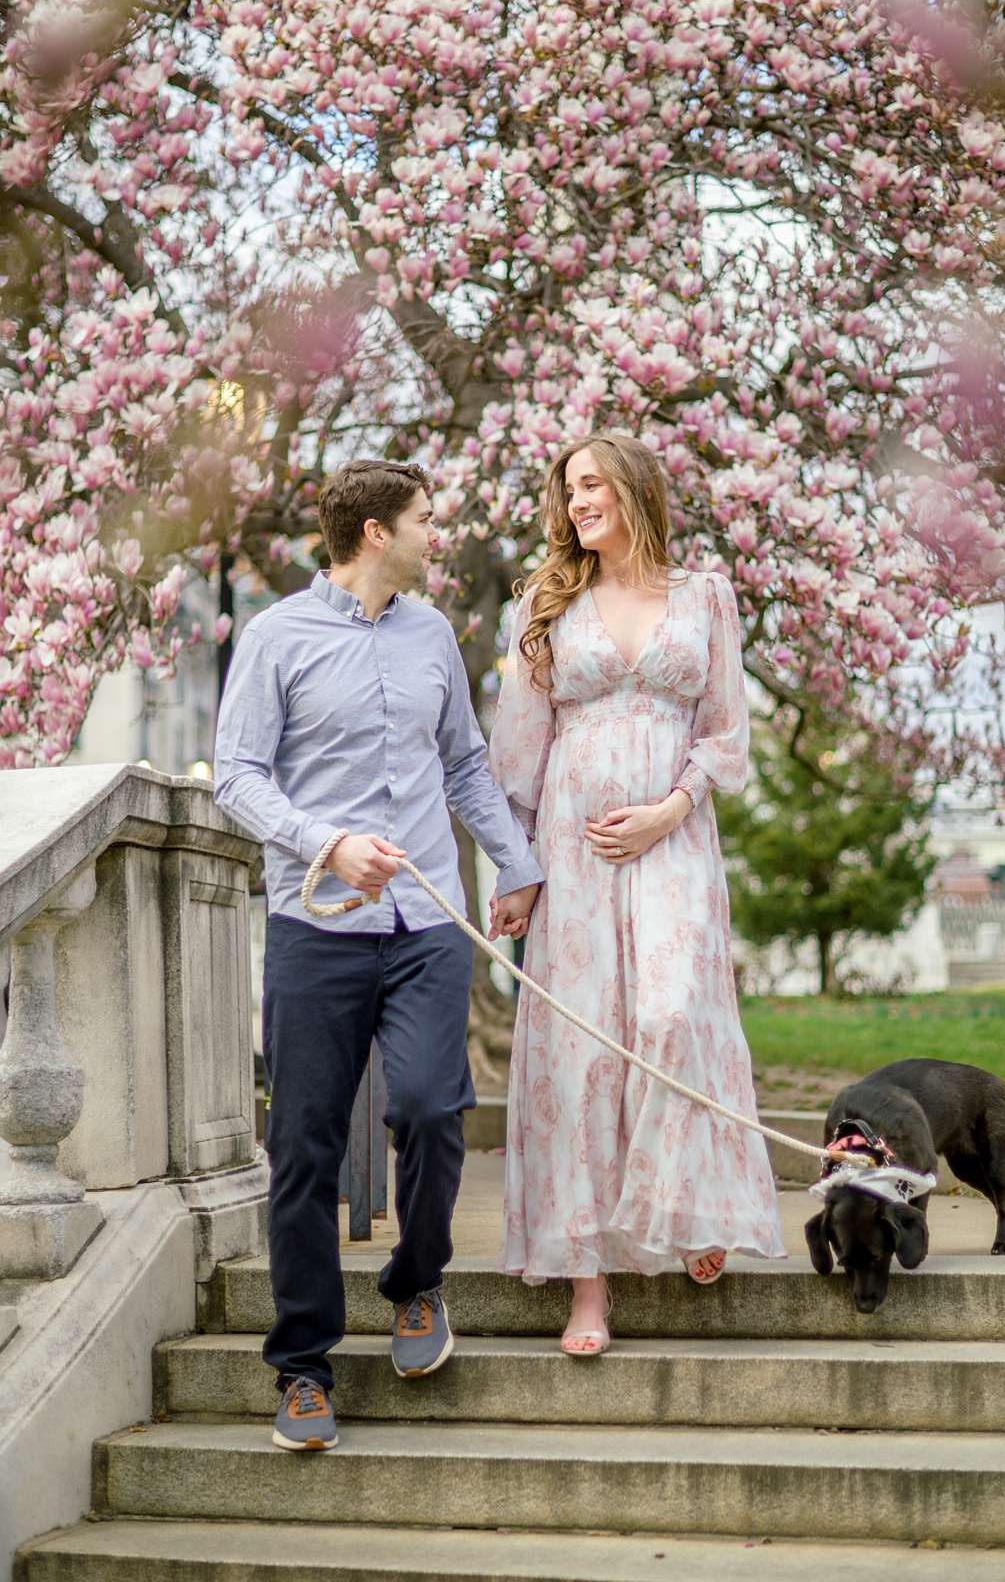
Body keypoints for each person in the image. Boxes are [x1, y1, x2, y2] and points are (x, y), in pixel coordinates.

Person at [214, 460, 546, 1452]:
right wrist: (327, 842)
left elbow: (464, 763)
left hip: (425, 924)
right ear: (372, 532)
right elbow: (236, 775)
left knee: (432, 1107)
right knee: (306, 1145)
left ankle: (417, 1284)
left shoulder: (433, 631)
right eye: (424, 518)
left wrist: (517, 864)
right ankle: (303, 1365)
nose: (435, 532)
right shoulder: (276, 637)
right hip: (315, 927)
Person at [488, 432, 786, 1355]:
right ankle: (588, 1285)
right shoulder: (544, 602)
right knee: (583, 1050)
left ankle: (680, 1200)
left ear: (633, 490)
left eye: (593, 485)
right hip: (572, 852)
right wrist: (517, 872)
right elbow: (519, 748)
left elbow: (724, 728)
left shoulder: (705, 595)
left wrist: (669, 810)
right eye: (569, 488)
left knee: (670, 1017)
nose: (578, 501)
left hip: (673, 838)